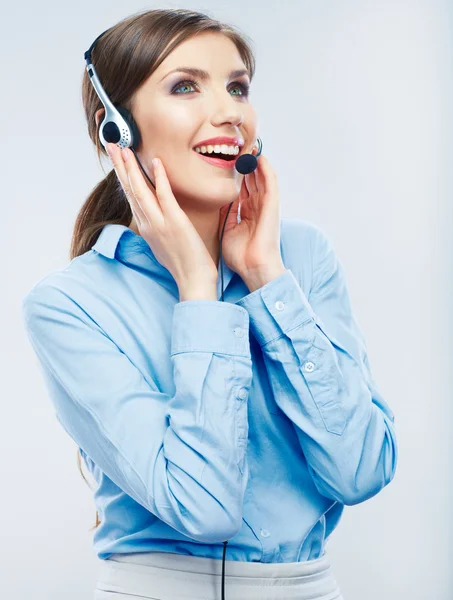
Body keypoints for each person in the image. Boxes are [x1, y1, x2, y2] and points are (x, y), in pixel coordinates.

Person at [21, 8, 398, 600]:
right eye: (186, 86)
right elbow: (203, 505)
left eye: (238, 87)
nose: (230, 112)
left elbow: (361, 470)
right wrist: (198, 289)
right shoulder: (68, 304)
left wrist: (269, 281)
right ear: (115, 128)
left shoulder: (300, 256)